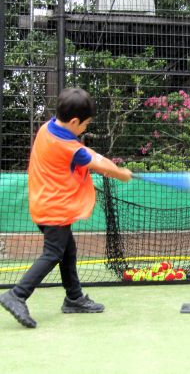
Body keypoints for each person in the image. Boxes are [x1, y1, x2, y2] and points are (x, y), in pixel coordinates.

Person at [0, 87, 133, 328]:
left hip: (43, 202)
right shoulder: (69, 147)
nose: (85, 128)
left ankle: (74, 297)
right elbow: (95, 162)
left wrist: (111, 165)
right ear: (74, 121)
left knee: (67, 250)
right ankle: (17, 294)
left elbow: (89, 153)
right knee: (54, 253)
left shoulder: (48, 127)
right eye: (85, 124)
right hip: (54, 208)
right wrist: (122, 174)